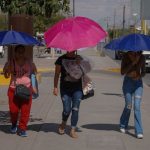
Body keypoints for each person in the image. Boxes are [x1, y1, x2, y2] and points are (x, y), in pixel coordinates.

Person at [3, 45, 37, 137]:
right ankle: (14, 124)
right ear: (15, 53)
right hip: (13, 89)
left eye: (22, 52)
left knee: (25, 111)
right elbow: (6, 76)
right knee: (13, 111)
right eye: (19, 52)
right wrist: (6, 69)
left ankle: (22, 129)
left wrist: (34, 87)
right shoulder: (11, 62)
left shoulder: (29, 62)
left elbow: (34, 74)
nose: (21, 54)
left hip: (27, 89)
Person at [53, 51, 84, 138]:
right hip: (65, 89)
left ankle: (72, 130)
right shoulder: (61, 59)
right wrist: (55, 87)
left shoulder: (79, 58)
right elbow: (56, 74)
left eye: (73, 49)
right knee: (67, 109)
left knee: (75, 108)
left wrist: (80, 64)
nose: (71, 50)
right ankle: (63, 122)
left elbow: (85, 71)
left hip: (77, 88)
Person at [119, 51, 146, 139]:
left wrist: (140, 76)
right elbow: (122, 72)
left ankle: (139, 131)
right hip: (128, 83)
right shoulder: (125, 56)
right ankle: (123, 124)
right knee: (128, 106)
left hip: (138, 84)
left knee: (137, 106)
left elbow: (144, 72)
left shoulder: (141, 57)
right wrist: (133, 62)